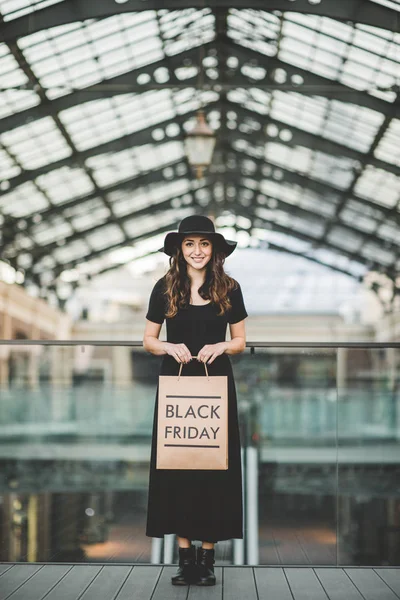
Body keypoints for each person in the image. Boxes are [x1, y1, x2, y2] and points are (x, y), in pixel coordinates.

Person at [143, 214, 248, 586]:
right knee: (177, 466)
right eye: (190, 244)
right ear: (179, 249)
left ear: (214, 249)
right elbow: (149, 340)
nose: (197, 250)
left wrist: (222, 345)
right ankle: (185, 558)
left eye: (204, 244)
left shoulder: (229, 288)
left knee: (213, 467)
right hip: (175, 383)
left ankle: (208, 558)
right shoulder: (165, 287)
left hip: (216, 384)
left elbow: (239, 341)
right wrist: (168, 346)